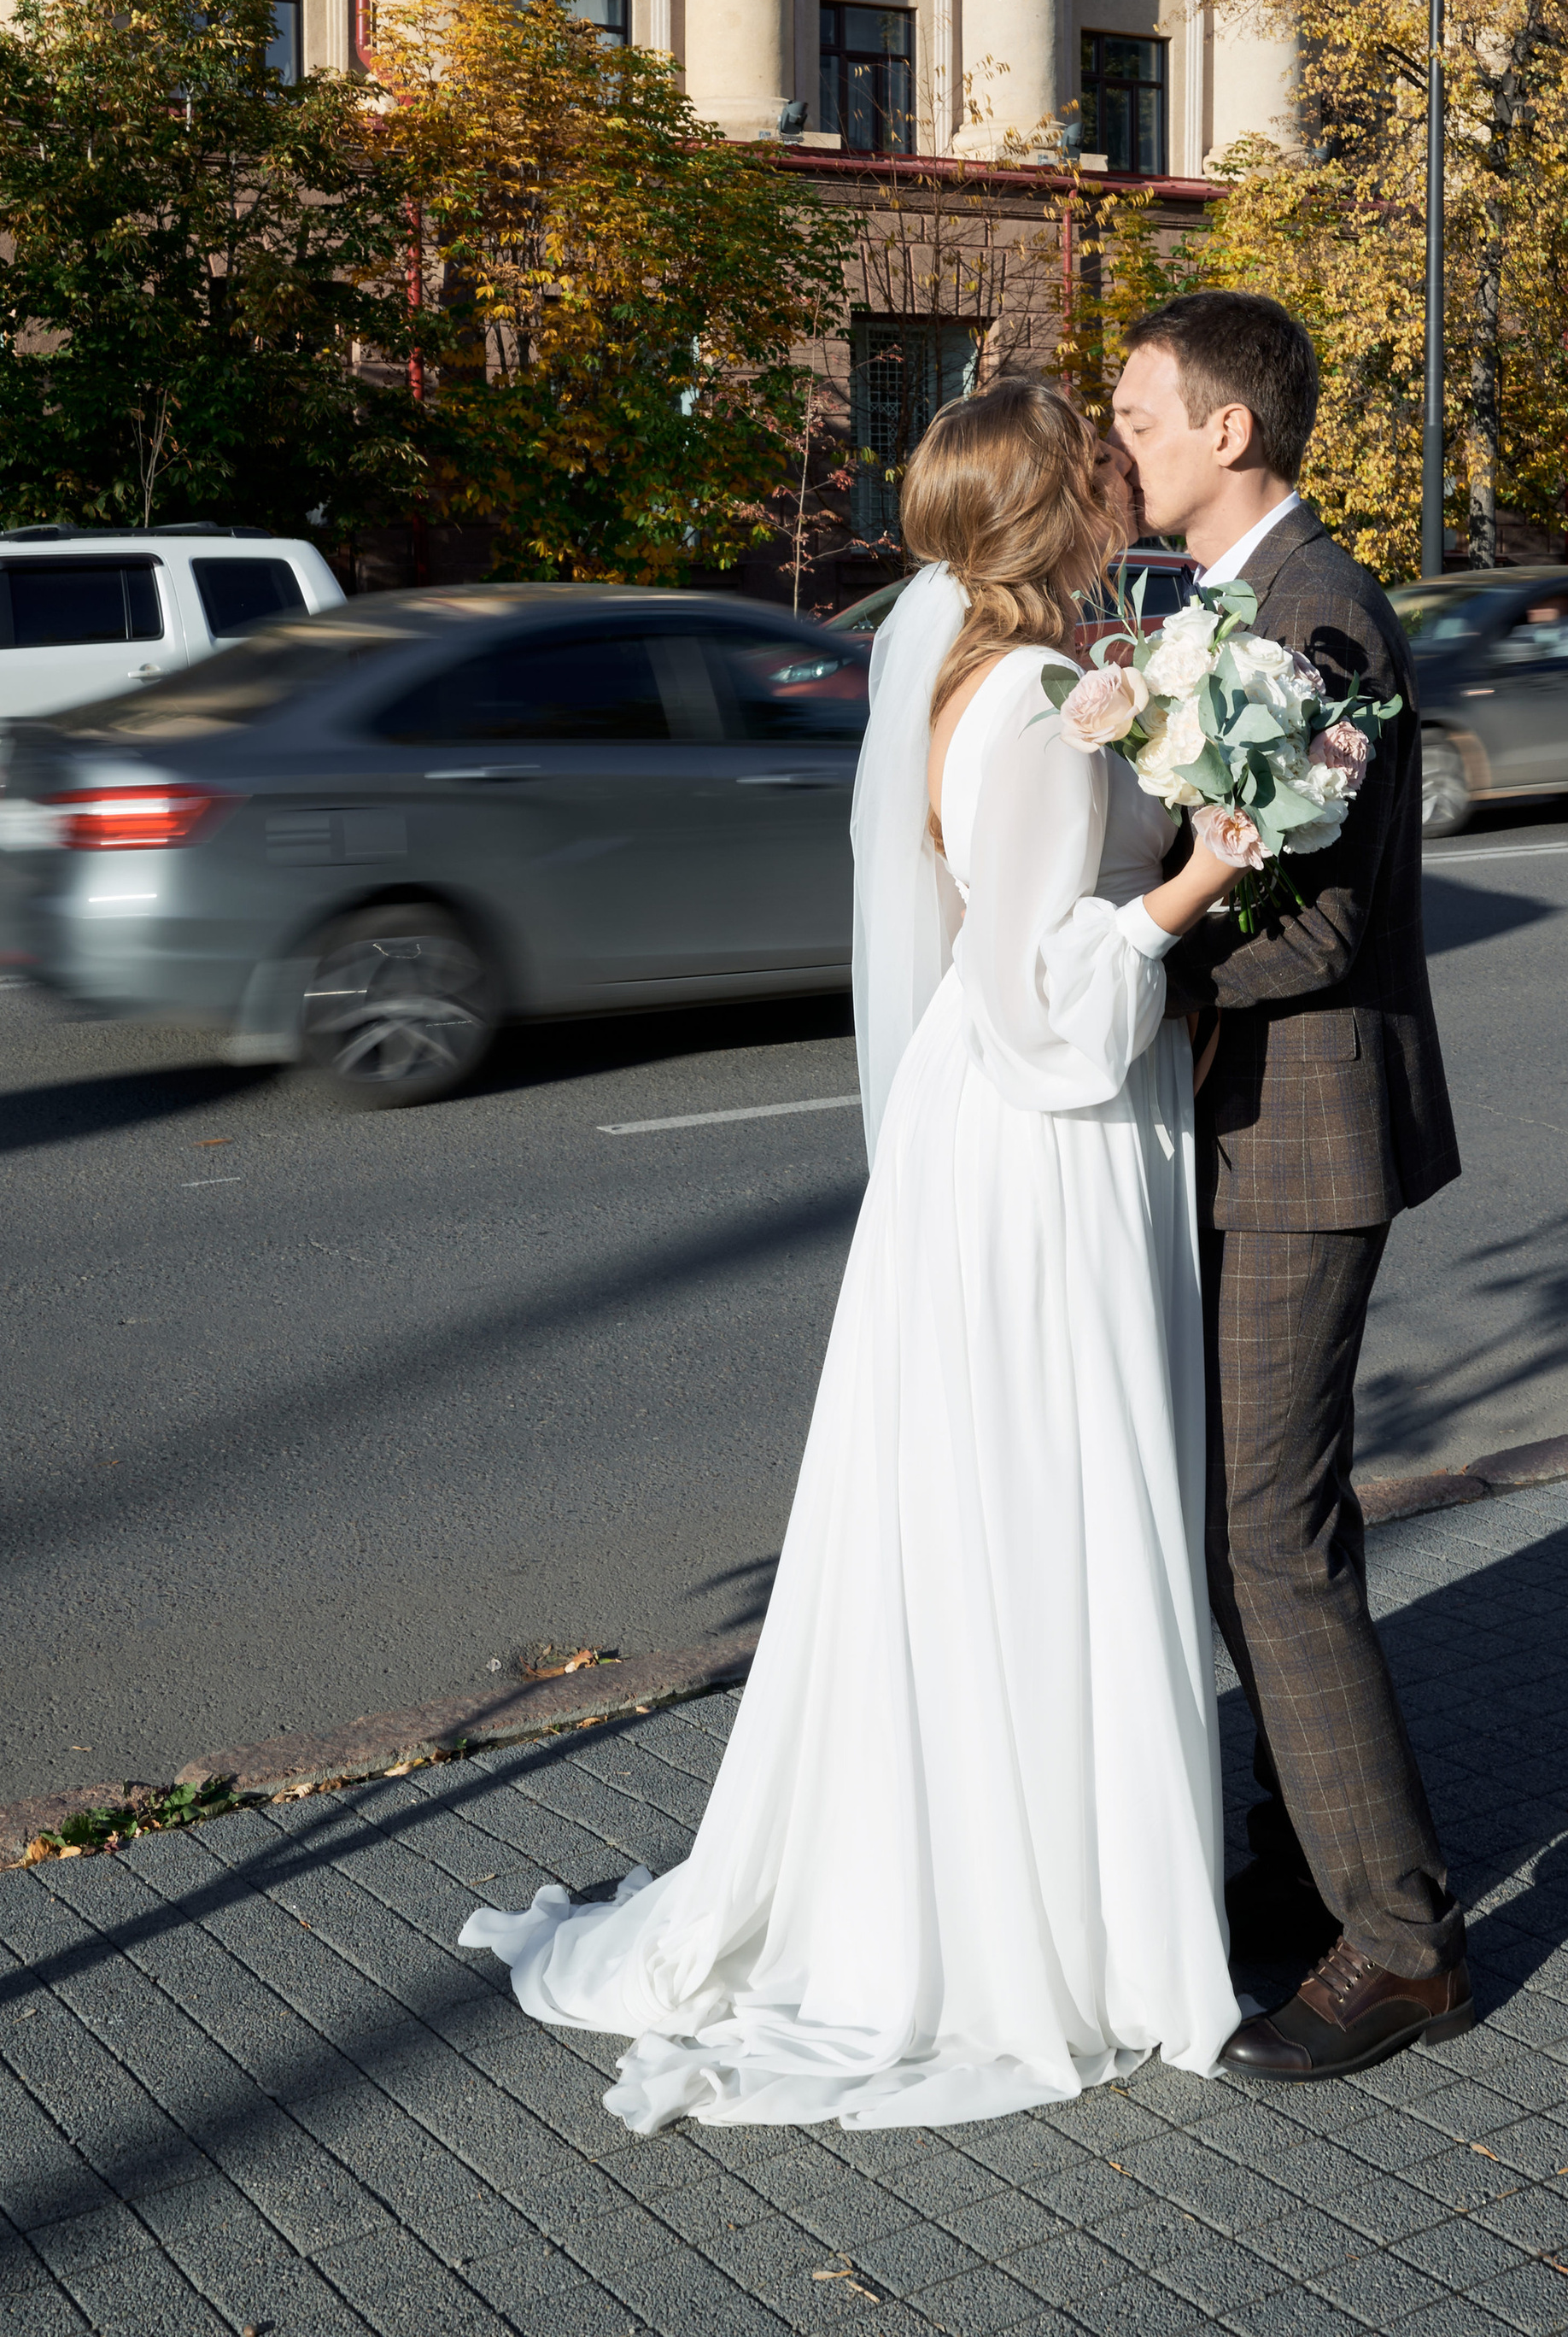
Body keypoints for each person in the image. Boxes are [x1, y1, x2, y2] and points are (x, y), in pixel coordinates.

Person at [461, 377, 1244, 2129]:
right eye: (1102, 467)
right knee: (1040, 1492)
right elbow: (1042, 1006)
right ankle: (1035, 1922)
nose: (1126, 483)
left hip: (993, 1150)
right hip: (1041, 1149)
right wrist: (1190, 879)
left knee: (989, 1506)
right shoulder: (1037, 700)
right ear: (1062, 509)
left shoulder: (981, 671)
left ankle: (1029, 1870)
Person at [1109, 292, 1471, 2082]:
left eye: (1143, 417)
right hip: (1244, 1124)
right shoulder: (1232, 607)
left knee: (1271, 1539)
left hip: (1304, 1132)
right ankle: (1302, 1865)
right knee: (1228, 1529)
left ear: (1230, 432)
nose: (1124, 441)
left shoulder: (1314, 614)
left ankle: (1397, 1942)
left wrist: (1127, 960)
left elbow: (1314, 922)